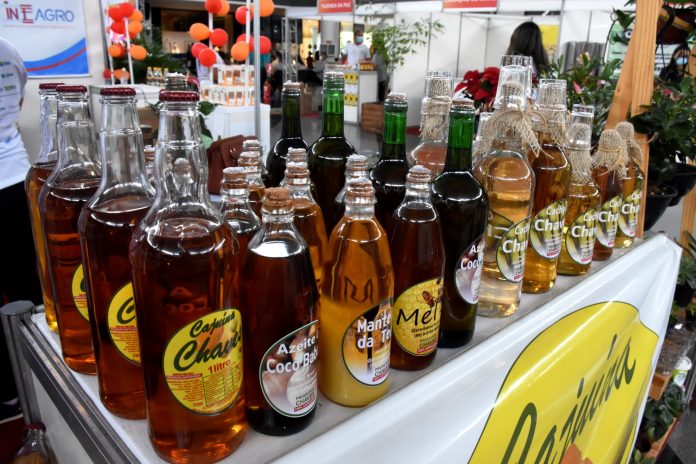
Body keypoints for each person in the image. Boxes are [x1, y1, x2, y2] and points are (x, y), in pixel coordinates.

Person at [0, 36, 41, 424]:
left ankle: (11, 391)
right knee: (27, 280)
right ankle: (39, 374)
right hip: (15, 177)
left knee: (26, 282)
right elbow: (19, 98)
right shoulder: (7, 49)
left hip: (12, 177)